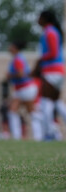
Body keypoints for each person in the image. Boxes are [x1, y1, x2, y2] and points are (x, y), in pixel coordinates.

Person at [33, 10, 66, 140]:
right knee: (57, 103)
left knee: (45, 103)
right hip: (58, 71)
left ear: (45, 19)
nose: (37, 20)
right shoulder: (53, 31)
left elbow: (52, 53)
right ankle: (50, 132)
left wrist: (40, 60)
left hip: (51, 72)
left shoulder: (49, 32)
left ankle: (49, 134)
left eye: (39, 17)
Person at [6, 41, 39, 140]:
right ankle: (37, 135)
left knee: (16, 112)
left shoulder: (18, 59)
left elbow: (20, 74)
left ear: (15, 47)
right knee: (27, 112)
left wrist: (9, 75)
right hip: (23, 89)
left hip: (24, 88)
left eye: (11, 45)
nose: (9, 47)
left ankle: (18, 135)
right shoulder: (19, 57)